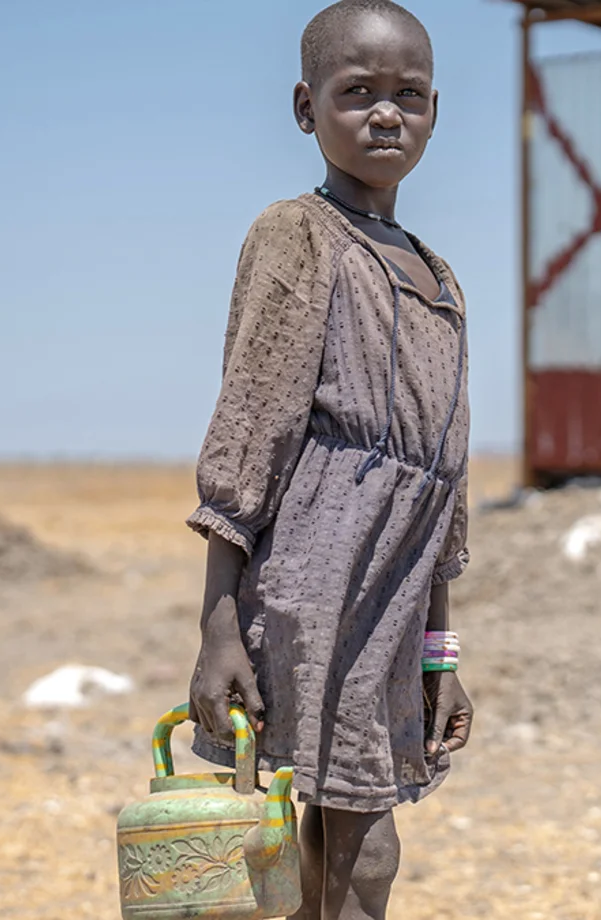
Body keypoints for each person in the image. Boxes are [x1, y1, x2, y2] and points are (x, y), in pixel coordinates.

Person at [184, 2, 472, 916]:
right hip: (315, 585)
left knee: (343, 839)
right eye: (358, 94)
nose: (386, 114)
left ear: (434, 111)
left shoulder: (437, 274)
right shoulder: (297, 237)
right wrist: (218, 626)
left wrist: (439, 649)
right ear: (307, 109)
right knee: (361, 841)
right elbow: (249, 425)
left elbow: (439, 478)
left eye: (409, 96)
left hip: (397, 597)